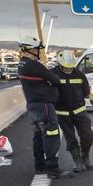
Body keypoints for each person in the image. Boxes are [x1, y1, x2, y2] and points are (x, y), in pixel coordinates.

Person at [16, 36, 69, 178]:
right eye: (38, 49)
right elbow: (55, 80)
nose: (39, 52)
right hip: (43, 106)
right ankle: (52, 168)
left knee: (38, 136)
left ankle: (40, 166)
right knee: (51, 136)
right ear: (31, 49)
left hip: (33, 106)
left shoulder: (22, 64)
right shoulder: (34, 65)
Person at [53, 49, 93, 172]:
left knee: (88, 135)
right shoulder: (53, 74)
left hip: (79, 111)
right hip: (62, 113)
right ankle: (77, 161)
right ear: (60, 64)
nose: (68, 70)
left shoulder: (79, 74)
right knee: (70, 138)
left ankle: (85, 156)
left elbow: (86, 91)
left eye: (70, 67)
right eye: (66, 67)